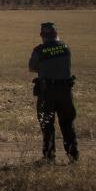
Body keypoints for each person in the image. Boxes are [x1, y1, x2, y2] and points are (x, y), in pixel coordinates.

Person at [29, 22, 78, 163]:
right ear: (56, 34)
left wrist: (44, 68)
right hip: (65, 92)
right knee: (67, 124)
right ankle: (73, 155)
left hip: (47, 92)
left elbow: (32, 67)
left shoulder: (39, 50)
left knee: (47, 125)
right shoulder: (65, 47)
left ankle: (49, 156)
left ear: (42, 36)